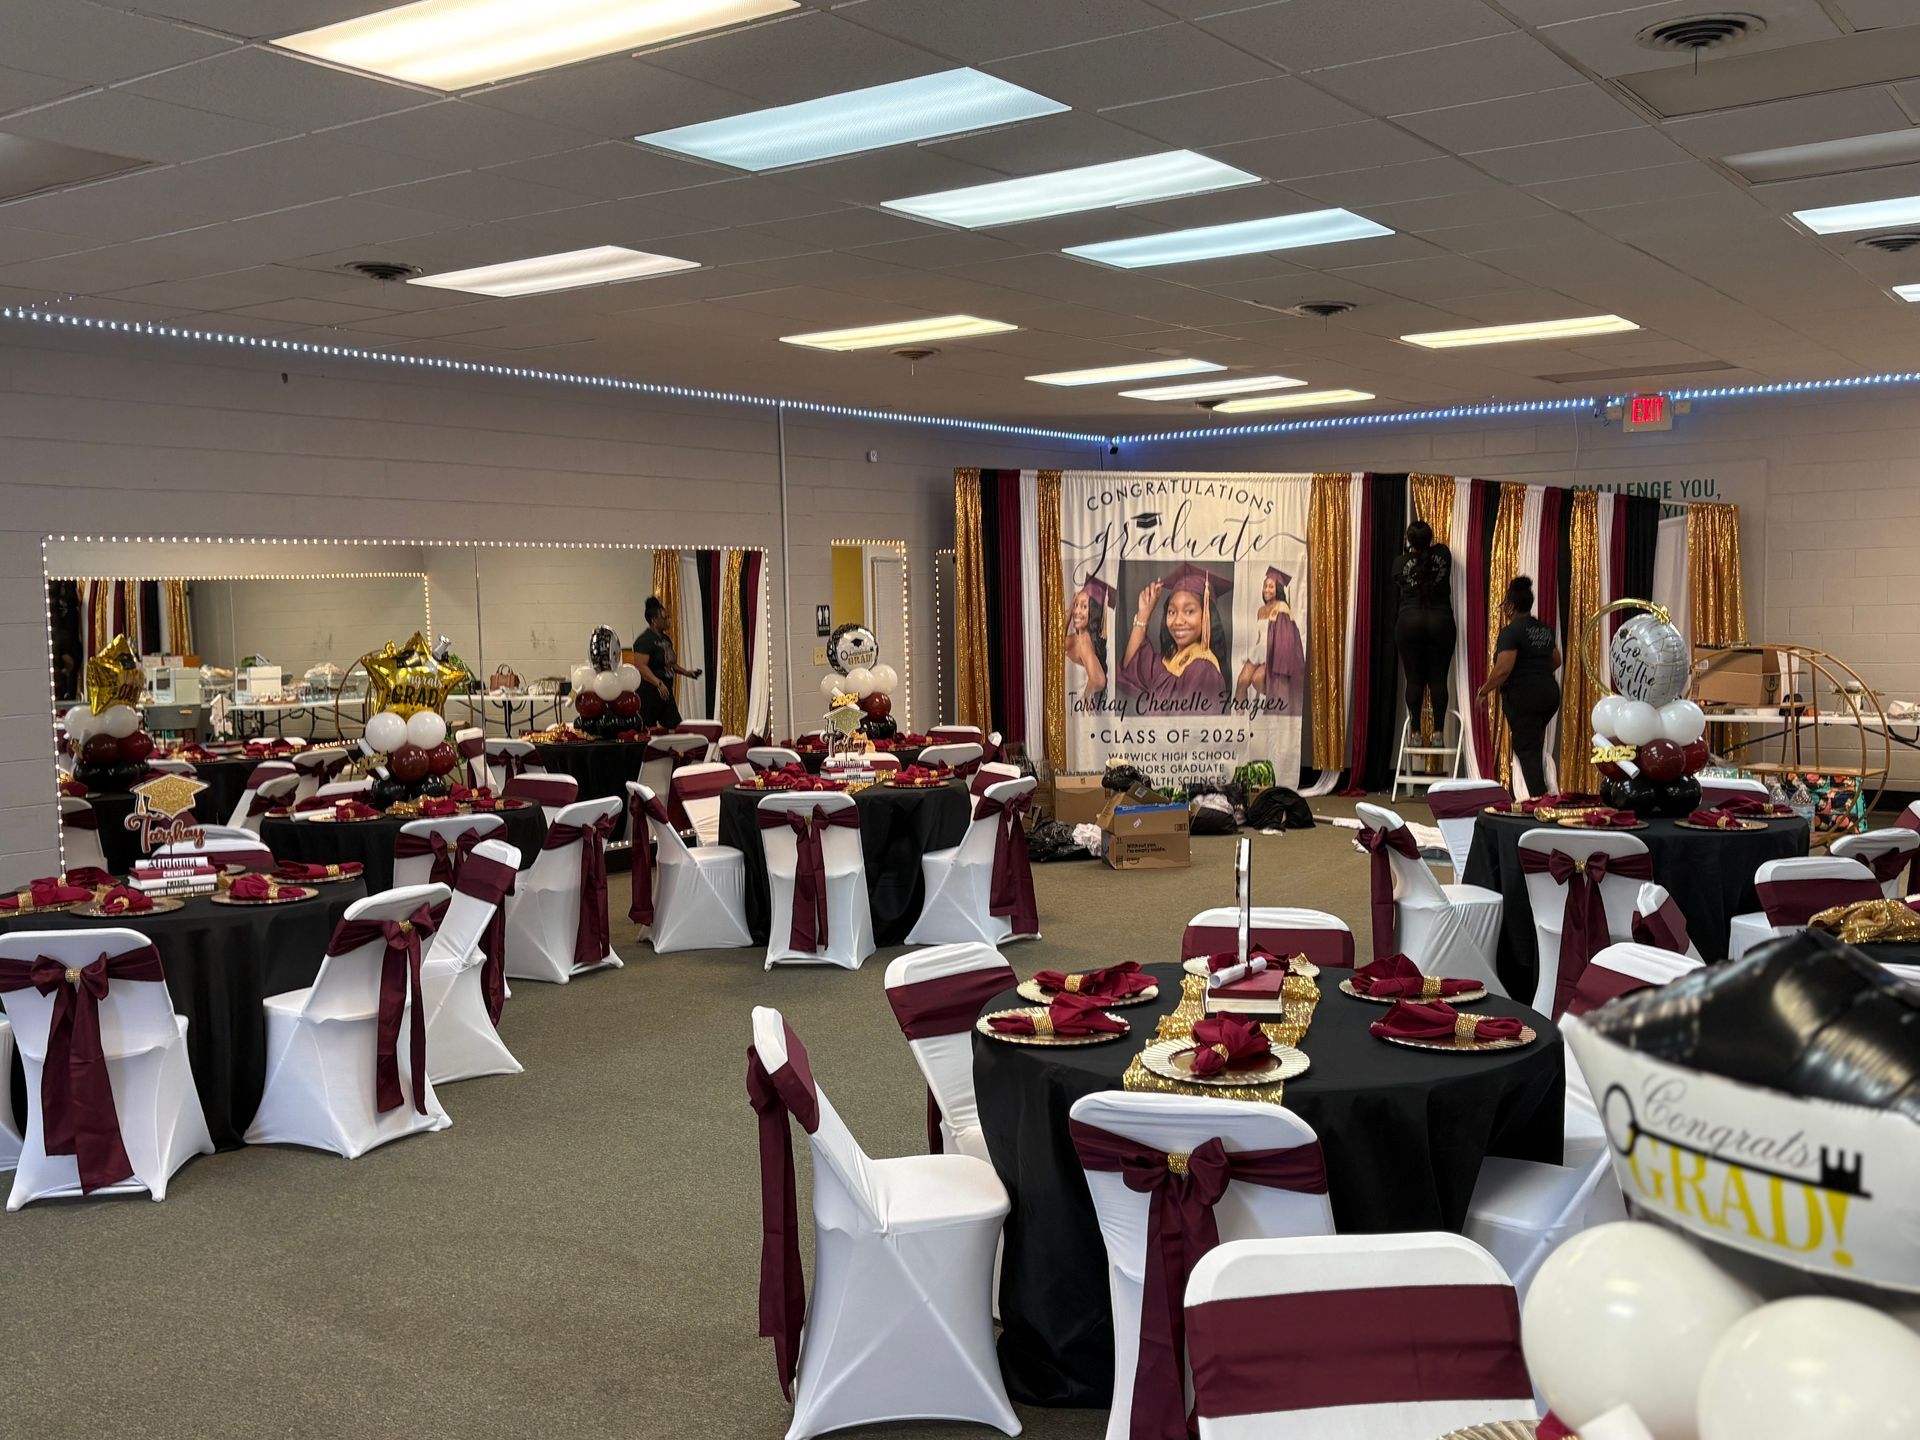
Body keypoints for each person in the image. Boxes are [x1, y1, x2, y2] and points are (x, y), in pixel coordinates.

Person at [1477, 575, 1561, 798]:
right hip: (1549, 695)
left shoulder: (1511, 632)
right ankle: (1541, 796)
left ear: (1512, 606)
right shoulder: (1543, 629)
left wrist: (1484, 690)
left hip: (1525, 697)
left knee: (1526, 750)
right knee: (1533, 746)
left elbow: (1504, 669)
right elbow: (1556, 660)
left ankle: (1541, 802)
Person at [1118, 562, 1230, 714]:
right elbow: (1132, 665)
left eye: (1189, 611)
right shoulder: (1171, 661)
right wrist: (1144, 614)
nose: (1178, 621)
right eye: (1172, 612)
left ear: (1207, 617)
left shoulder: (1203, 668)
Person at [1394, 520, 1456, 742]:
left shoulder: (1400, 562)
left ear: (1409, 541)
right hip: (1441, 621)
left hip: (1409, 622)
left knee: (1414, 680)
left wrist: (1409, 548)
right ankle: (1438, 732)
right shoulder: (1444, 555)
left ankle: (1416, 731)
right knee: (1438, 679)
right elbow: (1435, 551)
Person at [1235, 565, 1304, 713]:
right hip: (1259, 651)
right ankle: (1239, 717)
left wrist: (1278, 662)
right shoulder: (1261, 610)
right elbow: (1259, 635)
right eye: (1265, 586)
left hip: (1273, 653)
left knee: (1257, 679)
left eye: (1271, 586)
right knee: (1242, 680)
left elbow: (1287, 639)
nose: (1267, 589)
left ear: (1278, 589)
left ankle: (1278, 699)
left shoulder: (1282, 608)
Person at [634, 596, 700, 729]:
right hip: (650, 693)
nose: (668, 621)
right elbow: (641, 666)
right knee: (649, 730)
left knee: (676, 727)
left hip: (665, 692)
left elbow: (670, 663)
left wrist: (687, 673)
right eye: (665, 618)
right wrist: (658, 683)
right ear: (654, 620)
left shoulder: (666, 639)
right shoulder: (645, 640)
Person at [1065, 576, 1112, 704]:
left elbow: (1100, 681)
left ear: (1094, 613)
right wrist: (1070, 610)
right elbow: (1055, 643)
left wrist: (1085, 696)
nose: (1077, 611)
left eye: (1084, 607)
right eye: (1076, 605)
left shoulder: (1084, 641)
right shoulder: (1077, 639)